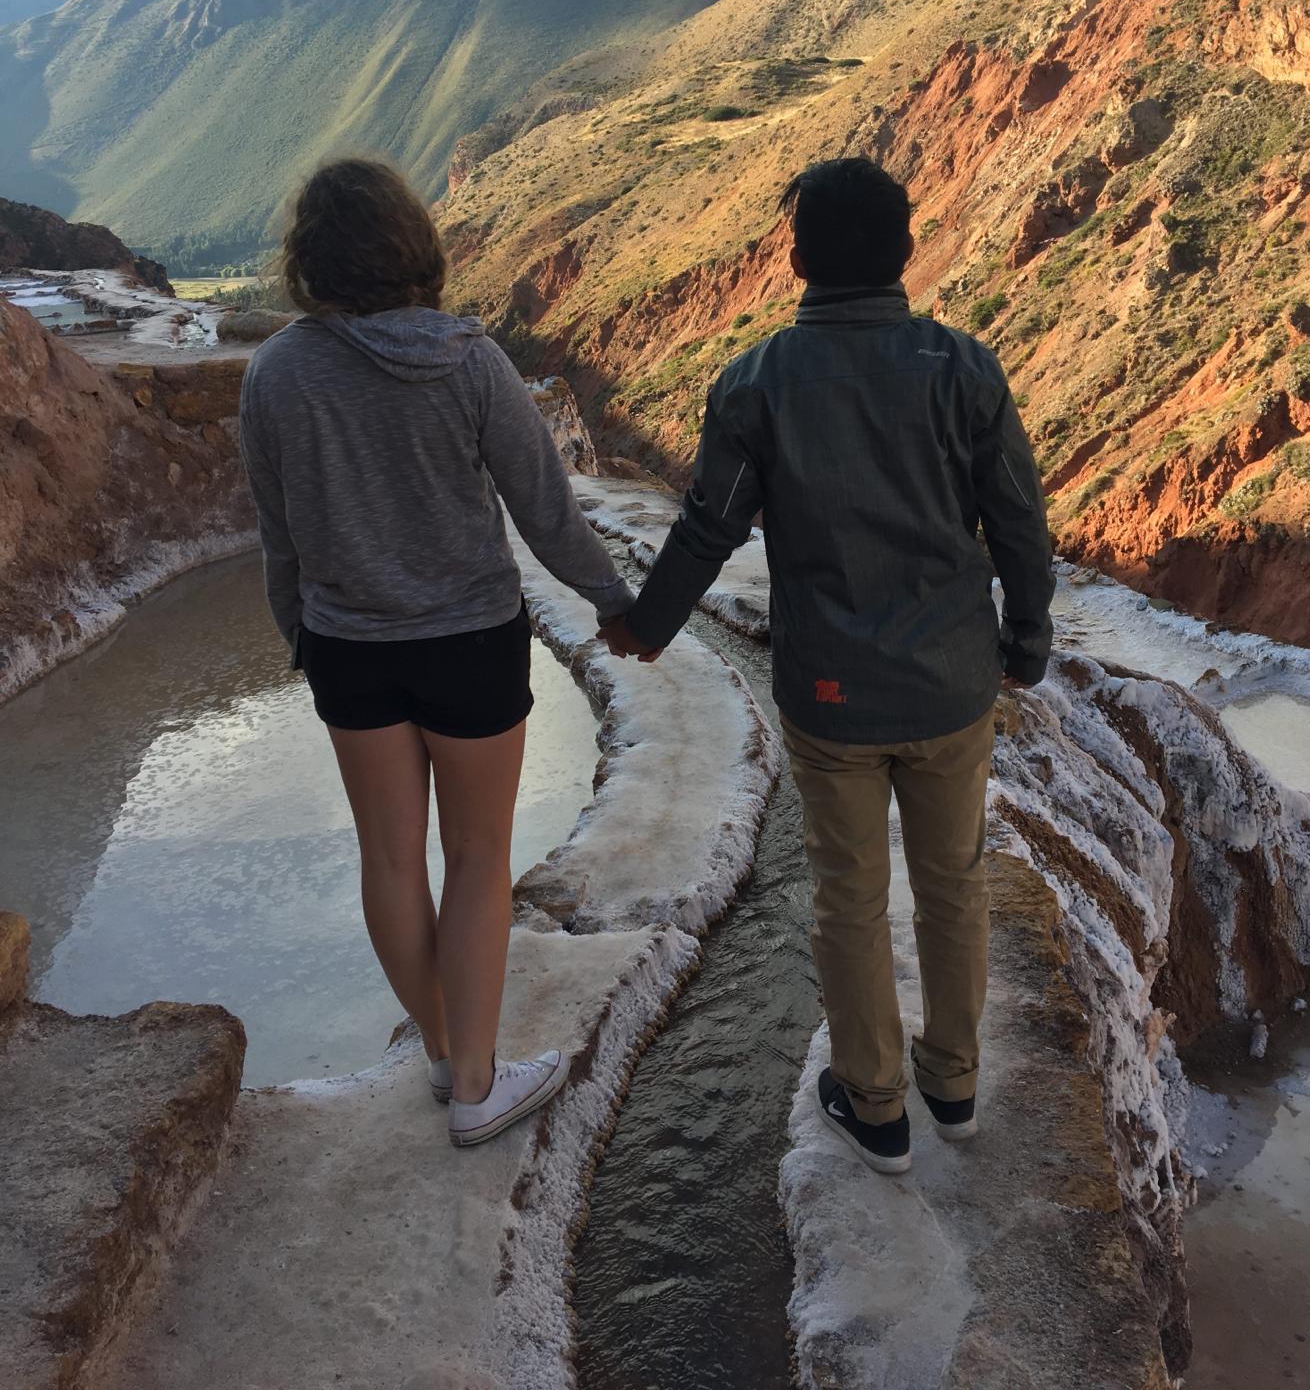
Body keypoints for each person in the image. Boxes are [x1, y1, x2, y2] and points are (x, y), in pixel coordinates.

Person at [599, 157, 1054, 1174]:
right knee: (954, 882)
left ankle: (876, 1107)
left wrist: (648, 627)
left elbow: (707, 528)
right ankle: (956, 1084)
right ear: (907, 249)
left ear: (799, 257)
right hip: (950, 684)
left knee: (848, 892)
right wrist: (1026, 642)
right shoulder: (965, 371)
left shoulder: (756, 383)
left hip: (830, 692)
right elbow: (1020, 526)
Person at [238, 156, 635, 1147]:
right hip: (469, 642)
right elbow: (547, 513)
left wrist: (305, 634)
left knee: (389, 860)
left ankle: (445, 1054)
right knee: (476, 858)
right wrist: (616, 603)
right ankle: (478, 1087)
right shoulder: (470, 362)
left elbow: (278, 535)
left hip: (349, 649)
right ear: (412, 247)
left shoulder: (276, 372)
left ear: (310, 261)